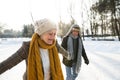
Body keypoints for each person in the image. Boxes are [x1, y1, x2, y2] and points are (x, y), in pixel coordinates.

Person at [0, 18, 69, 80]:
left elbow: (63, 51)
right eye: (50, 34)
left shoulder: (54, 45)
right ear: (41, 33)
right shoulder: (28, 47)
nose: (53, 37)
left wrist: (69, 56)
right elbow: (9, 62)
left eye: (54, 34)